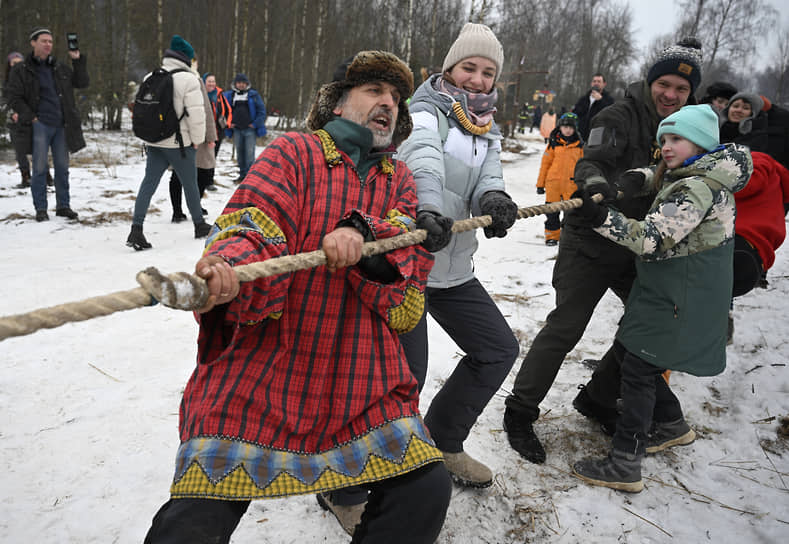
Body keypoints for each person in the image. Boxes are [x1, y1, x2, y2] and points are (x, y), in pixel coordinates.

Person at [143, 50, 452, 544]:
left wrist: (367, 241)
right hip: (267, 370)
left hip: (361, 377)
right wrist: (229, 269)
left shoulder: (399, 180)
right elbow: (253, 222)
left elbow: (407, 298)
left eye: (395, 97)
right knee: (192, 525)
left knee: (427, 488)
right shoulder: (294, 153)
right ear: (337, 104)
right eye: (374, 91)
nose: (388, 104)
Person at [503, 38, 704, 463]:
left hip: (638, 246)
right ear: (651, 81)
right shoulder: (619, 115)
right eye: (664, 84)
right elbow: (589, 161)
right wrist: (594, 185)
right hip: (591, 239)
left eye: (681, 89)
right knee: (567, 326)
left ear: (691, 94)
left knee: (649, 325)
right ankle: (519, 411)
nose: (670, 94)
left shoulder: (687, 128)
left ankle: (597, 398)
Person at [571, 105, 752, 492]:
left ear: (701, 144)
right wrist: (623, 183)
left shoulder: (696, 188)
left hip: (679, 293)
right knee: (633, 354)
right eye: (663, 140)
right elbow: (654, 180)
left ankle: (625, 463)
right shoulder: (695, 174)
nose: (666, 148)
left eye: (676, 140)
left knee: (639, 368)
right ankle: (671, 424)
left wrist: (600, 218)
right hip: (673, 288)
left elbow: (651, 240)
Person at [126, 35, 211, 250]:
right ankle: (199, 225)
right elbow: (196, 116)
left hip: (154, 142)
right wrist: (197, 141)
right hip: (179, 144)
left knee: (148, 184)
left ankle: (136, 229)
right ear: (187, 58)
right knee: (190, 184)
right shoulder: (189, 80)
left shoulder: (151, 76)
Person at [6, 27, 89, 222]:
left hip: (61, 125)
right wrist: (31, 117)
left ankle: (63, 206)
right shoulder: (21, 69)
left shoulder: (59, 68)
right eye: (43, 41)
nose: (48, 44)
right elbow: (13, 97)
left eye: (50, 41)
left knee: (62, 168)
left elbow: (82, 82)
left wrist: (77, 60)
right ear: (33, 43)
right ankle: (41, 209)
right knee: (40, 169)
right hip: (39, 125)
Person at [169, 58, 217, 223]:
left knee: (201, 173)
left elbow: (206, 110)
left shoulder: (174, 78)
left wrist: (211, 135)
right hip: (187, 133)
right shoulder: (192, 80)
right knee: (182, 174)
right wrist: (210, 136)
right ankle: (178, 211)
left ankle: (193, 206)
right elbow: (206, 110)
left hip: (188, 134)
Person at [536, 111, 584, 245]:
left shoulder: (580, 146)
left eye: (571, 127)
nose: (567, 130)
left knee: (572, 213)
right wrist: (540, 184)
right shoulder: (553, 144)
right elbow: (545, 164)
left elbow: (584, 167)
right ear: (560, 127)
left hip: (572, 185)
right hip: (553, 184)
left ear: (575, 129)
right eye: (565, 127)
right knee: (552, 213)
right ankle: (552, 236)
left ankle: (569, 237)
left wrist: (583, 185)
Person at [223, 73, 266, 182]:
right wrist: (229, 123)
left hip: (249, 130)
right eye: (239, 83)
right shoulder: (230, 96)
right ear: (235, 84)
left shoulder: (253, 95)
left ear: (247, 84)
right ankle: (242, 176)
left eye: (243, 83)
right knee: (240, 154)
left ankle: (250, 178)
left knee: (249, 155)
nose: (241, 85)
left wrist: (255, 124)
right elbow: (225, 111)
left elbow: (262, 111)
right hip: (237, 129)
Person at [3, 52, 30, 188]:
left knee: (39, 150)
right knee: (20, 151)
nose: (16, 66)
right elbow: (5, 101)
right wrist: (12, 112)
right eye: (13, 63)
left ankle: (46, 176)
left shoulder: (30, 80)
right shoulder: (6, 83)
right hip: (14, 122)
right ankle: (26, 177)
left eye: (19, 63)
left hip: (30, 120)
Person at [200, 72, 231, 191]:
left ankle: (209, 181)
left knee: (212, 157)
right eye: (209, 81)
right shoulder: (199, 94)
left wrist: (226, 124)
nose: (212, 84)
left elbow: (228, 110)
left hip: (218, 132)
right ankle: (199, 180)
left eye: (213, 81)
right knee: (202, 157)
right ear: (204, 82)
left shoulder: (219, 95)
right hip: (202, 131)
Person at [572, 73, 614, 141]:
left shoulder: (609, 100)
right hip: (580, 136)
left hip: (598, 137)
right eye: (594, 81)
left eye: (599, 81)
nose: (596, 83)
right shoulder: (583, 99)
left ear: (604, 84)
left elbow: (610, 115)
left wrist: (600, 100)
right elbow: (575, 113)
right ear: (591, 83)